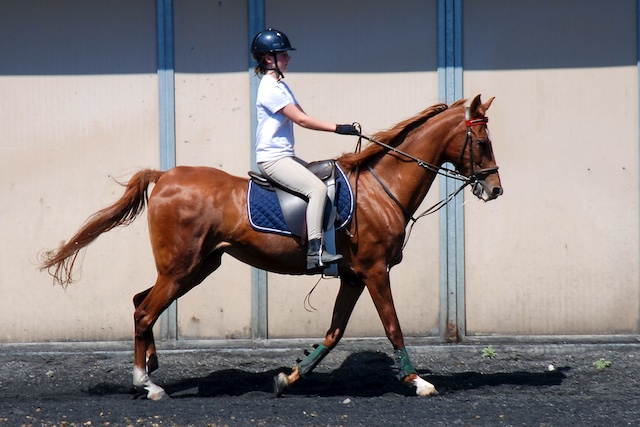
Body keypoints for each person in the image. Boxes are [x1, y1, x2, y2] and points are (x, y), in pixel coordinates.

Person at [250, 28, 359, 270]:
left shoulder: (280, 86)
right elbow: (302, 120)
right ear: (269, 59)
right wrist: (337, 128)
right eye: (283, 55)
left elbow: (303, 116)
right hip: (273, 159)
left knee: (327, 177)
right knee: (317, 190)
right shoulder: (269, 88)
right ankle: (315, 252)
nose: (288, 58)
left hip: (285, 155)